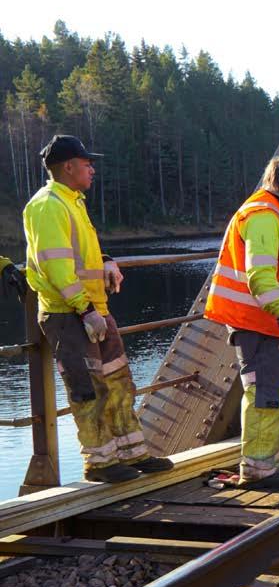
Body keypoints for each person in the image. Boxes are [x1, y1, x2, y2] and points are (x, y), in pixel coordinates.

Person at [23, 135, 173, 483]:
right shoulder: (48, 205)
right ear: (68, 167)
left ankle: (132, 453)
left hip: (94, 310)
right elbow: (56, 267)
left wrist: (105, 261)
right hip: (69, 314)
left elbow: (78, 256)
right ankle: (100, 463)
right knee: (88, 389)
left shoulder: (73, 201)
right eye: (87, 163)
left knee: (119, 381)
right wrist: (85, 308)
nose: (92, 169)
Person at [205, 153, 279, 490]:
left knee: (273, 391)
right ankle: (259, 470)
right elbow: (260, 277)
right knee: (265, 392)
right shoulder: (265, 216)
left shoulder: (272, 213)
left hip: (265, 324)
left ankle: (269, 459)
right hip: (259, 323)